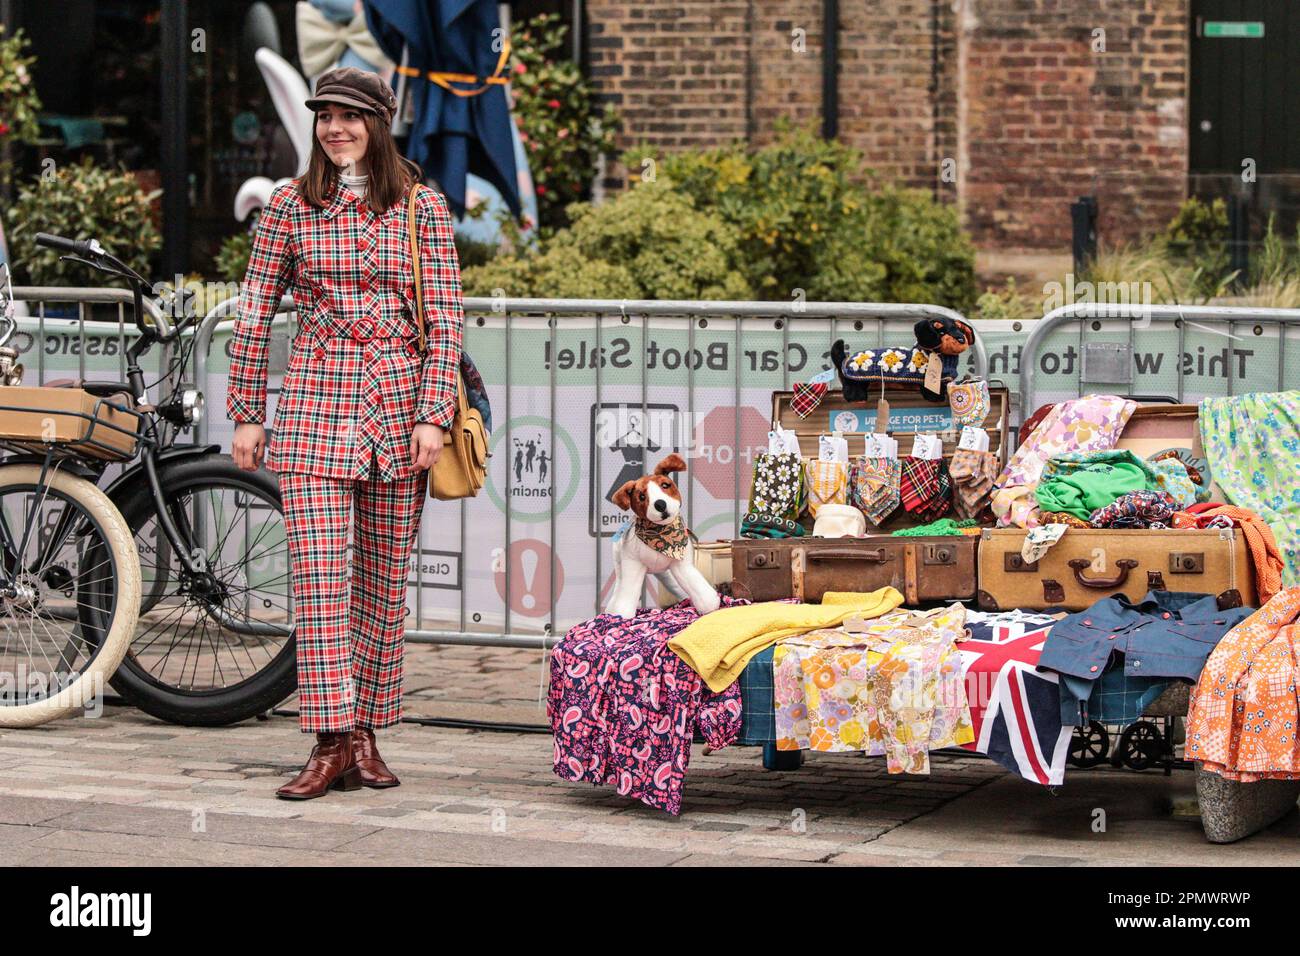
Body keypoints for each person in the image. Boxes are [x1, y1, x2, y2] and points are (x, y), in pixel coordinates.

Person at [226, 67, 463, 800]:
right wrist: (246, 410)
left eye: (350, 117)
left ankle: (365, 731)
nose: (336, 129)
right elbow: (254, 308)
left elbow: (446, 320)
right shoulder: (291, 207)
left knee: (383, 583)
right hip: (312, 405)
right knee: (322, 581)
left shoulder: (422, 206)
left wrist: (432, 414)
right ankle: (329, 740)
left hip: (397, 410)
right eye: (326, 116)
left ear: (378, 125)